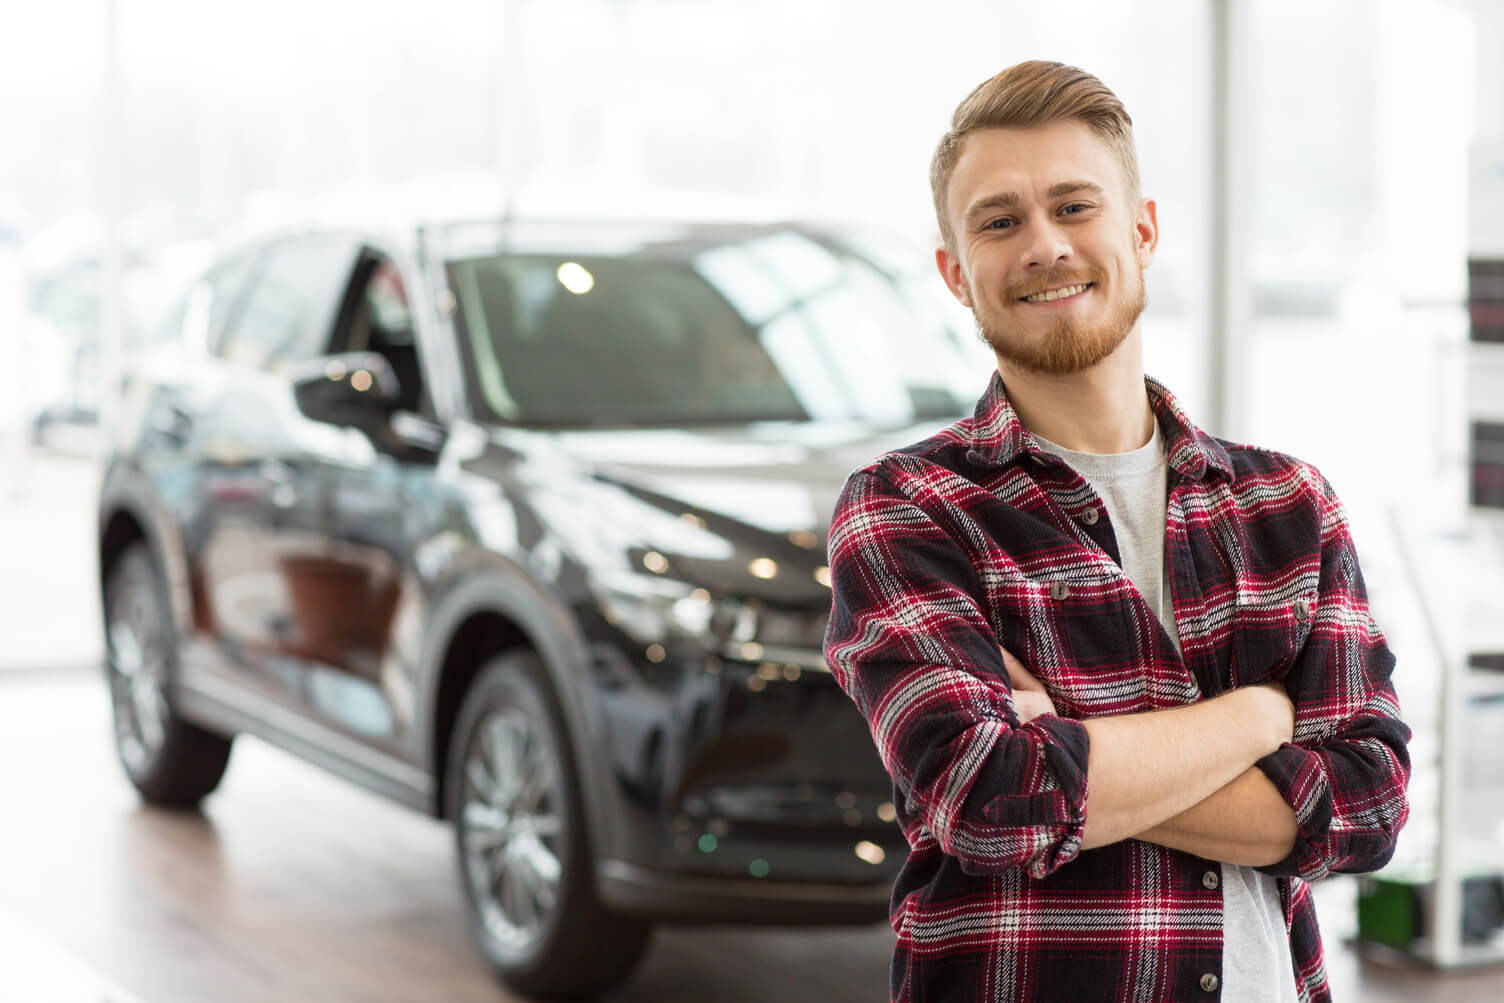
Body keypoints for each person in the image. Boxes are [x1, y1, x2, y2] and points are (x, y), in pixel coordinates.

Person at [823, 61, 1411, 1003]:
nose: (1045, 246)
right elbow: (989, 800)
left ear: (1140, 228)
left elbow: (1368, 803)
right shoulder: (908, 507)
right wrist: (1258, 716)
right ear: (954, 272)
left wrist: (1072, 741)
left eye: (1073, 205)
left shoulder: (1288, 504)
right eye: (1000, 220)